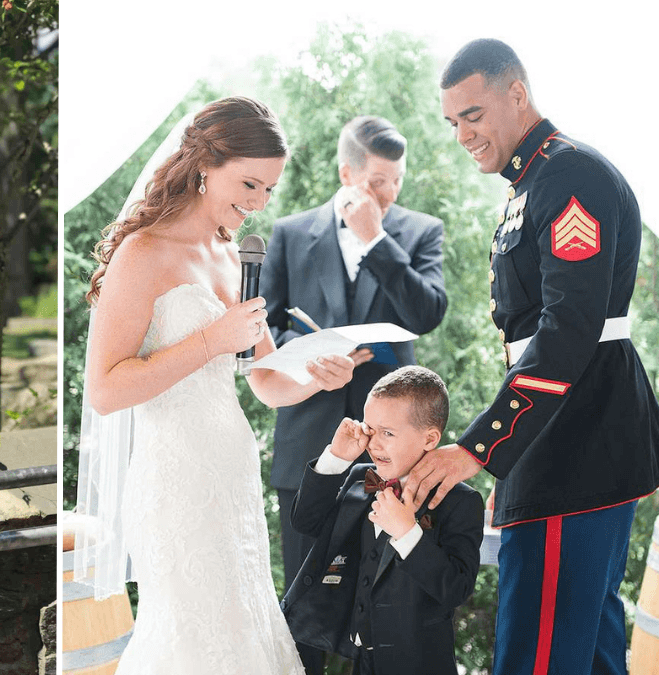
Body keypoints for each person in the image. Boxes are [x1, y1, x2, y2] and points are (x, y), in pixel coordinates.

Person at [74, 96, 357, 674]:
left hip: (232, 472)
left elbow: (265, 382)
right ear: (205, 163)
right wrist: (210, 340)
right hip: (174, 477)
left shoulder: (235, 255)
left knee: (242, 629)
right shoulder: (144, 252)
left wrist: (317, 377)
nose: (257, 205)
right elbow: (104, 389)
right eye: (249, 185)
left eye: (269, 191)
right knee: (189, 635)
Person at [403, 38, 659, 675]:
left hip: (577, 442)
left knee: (537, 655)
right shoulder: (532, 182)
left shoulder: (568, 175)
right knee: (590, 652)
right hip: (565, 439)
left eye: (474, 114)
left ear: (516, 94)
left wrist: (480, 448)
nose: (463, 134)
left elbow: (568, 330)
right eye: (452, 120)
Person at [257, 115, 447, 675]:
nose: (391, 193)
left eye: (397, 180)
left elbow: (426, 315)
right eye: (380, 181)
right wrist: (311, 351)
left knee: (395, 601)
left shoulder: (418, 232)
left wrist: (376, 241)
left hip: (396, 452)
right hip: (309, 445)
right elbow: (266, 327)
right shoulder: (291, 233)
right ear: (349, 174)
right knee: (303, 600)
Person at [280, 366, 482, 675]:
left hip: (420, 665)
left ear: (430, 438)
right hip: (361, 662)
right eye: (371, 430)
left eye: (388, 433)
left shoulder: (460, 501)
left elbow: (456, 588)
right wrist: (336, 457)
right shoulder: (361, 478)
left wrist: (407, 532)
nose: (374, 444)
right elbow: (306, 522)